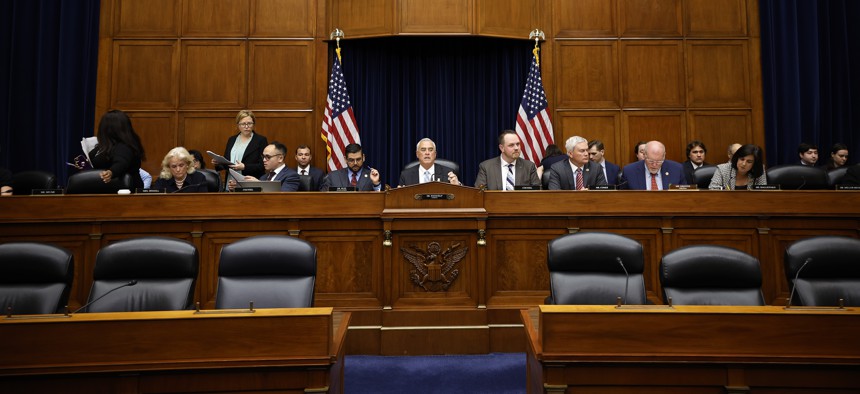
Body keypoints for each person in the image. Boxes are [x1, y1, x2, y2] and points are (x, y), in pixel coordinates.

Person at [89, 110, 146, 189]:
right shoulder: (103, 147)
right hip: (105, 190)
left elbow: (121, 162)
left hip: (124, 193)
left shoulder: (124, 147)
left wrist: (111, 172)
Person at [213, 110, 268, 186]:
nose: (246, 126)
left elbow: (263, 165)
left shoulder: (260, 140)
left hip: (250, 183)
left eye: (249, 123)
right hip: (230, 183)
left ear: (253, 124)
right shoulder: (232, 140)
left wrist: (244, 167)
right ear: (238, 125)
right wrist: (219, 163)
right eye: (243, 124)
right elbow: (228, 163)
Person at [475, 130, 540, 190]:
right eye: (511, 145)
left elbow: (537, 191)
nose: (516, 148)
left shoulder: (529, 166)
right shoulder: (486, 167)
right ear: (502, 148)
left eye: (518, 144)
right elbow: (480, 192)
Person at [227, 142, 299, 192]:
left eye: (268, 157)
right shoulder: (264, 177)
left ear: (280, 158)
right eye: (263, 157)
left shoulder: (291, 176)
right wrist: (237, 188)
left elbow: (283, 197)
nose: (264, 160)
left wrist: (259, 184)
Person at [619, 140, 686, 190]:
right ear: (644, 155)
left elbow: (685, 196)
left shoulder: (677, 170)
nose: (654, 165)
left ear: (664, 156)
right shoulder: (629, 171)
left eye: (659, 161)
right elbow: (623, 197)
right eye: (651, 161)